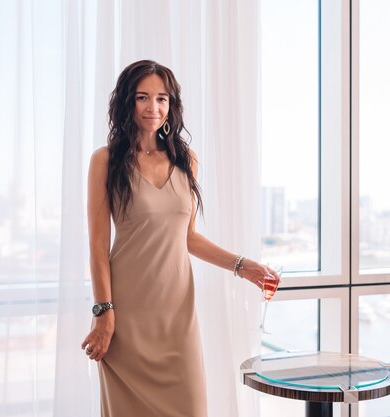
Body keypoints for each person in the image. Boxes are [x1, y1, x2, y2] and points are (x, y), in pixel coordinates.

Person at [80, 60, 280, 417]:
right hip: (126, 318)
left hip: (177, 315)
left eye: (162, 99)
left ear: (172, 105)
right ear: (127, 102)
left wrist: (242, 265)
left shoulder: (185, 159)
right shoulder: (106, 162)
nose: (153, 108)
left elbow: (186, 237)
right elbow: (97, 245)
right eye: (143, 97)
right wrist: (104, 314)